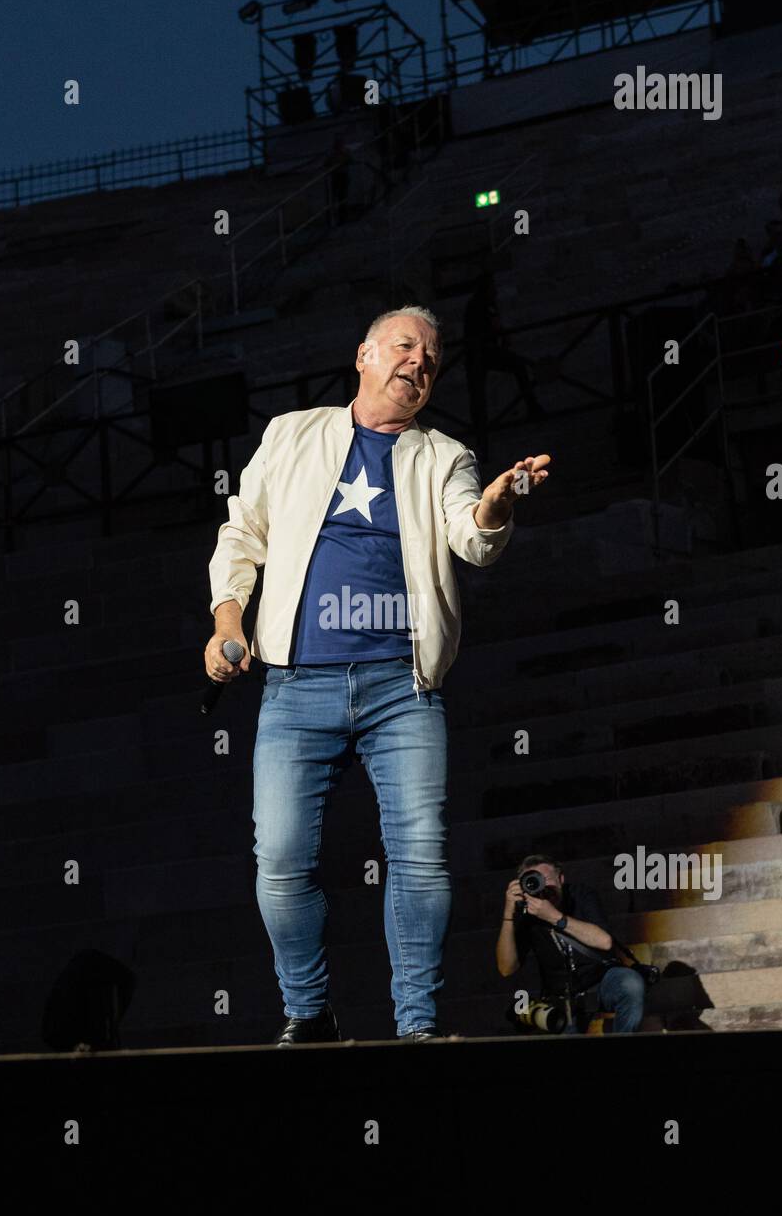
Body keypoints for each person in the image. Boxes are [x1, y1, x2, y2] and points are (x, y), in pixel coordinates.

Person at [204, 306, 551, 1045]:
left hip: (403, 688)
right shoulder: (291, 433)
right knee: (281, 857)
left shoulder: (445, 456)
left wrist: (497, 501)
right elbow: (243, 532)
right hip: (298, 685)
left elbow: (472, 537)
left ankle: (417, 1026)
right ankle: (308, 1010)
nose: (419, 363)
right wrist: (227, 622)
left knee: (421, 854)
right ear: (362, 354)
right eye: (405, 347)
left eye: (432, 358)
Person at [496, 854, 645, 1034]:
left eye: (547, 879)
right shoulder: (526, 913)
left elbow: (605, 942)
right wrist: (508, 913)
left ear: (561, 879)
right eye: (533, 881)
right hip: (560, 995)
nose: (543, 886)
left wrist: (553, 916)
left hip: (601, 979)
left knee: (630, 983)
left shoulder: (580, 895)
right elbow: (506, 968)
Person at [463, 271, 544, 462]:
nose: (496, 291)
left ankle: (483, 439)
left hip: (480, 354)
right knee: (479, 398)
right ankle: (483, 440)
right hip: (479, 355)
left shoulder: (480, 304)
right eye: (492, 287)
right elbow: (489, 329)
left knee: (479, 397)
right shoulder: (481, 305)